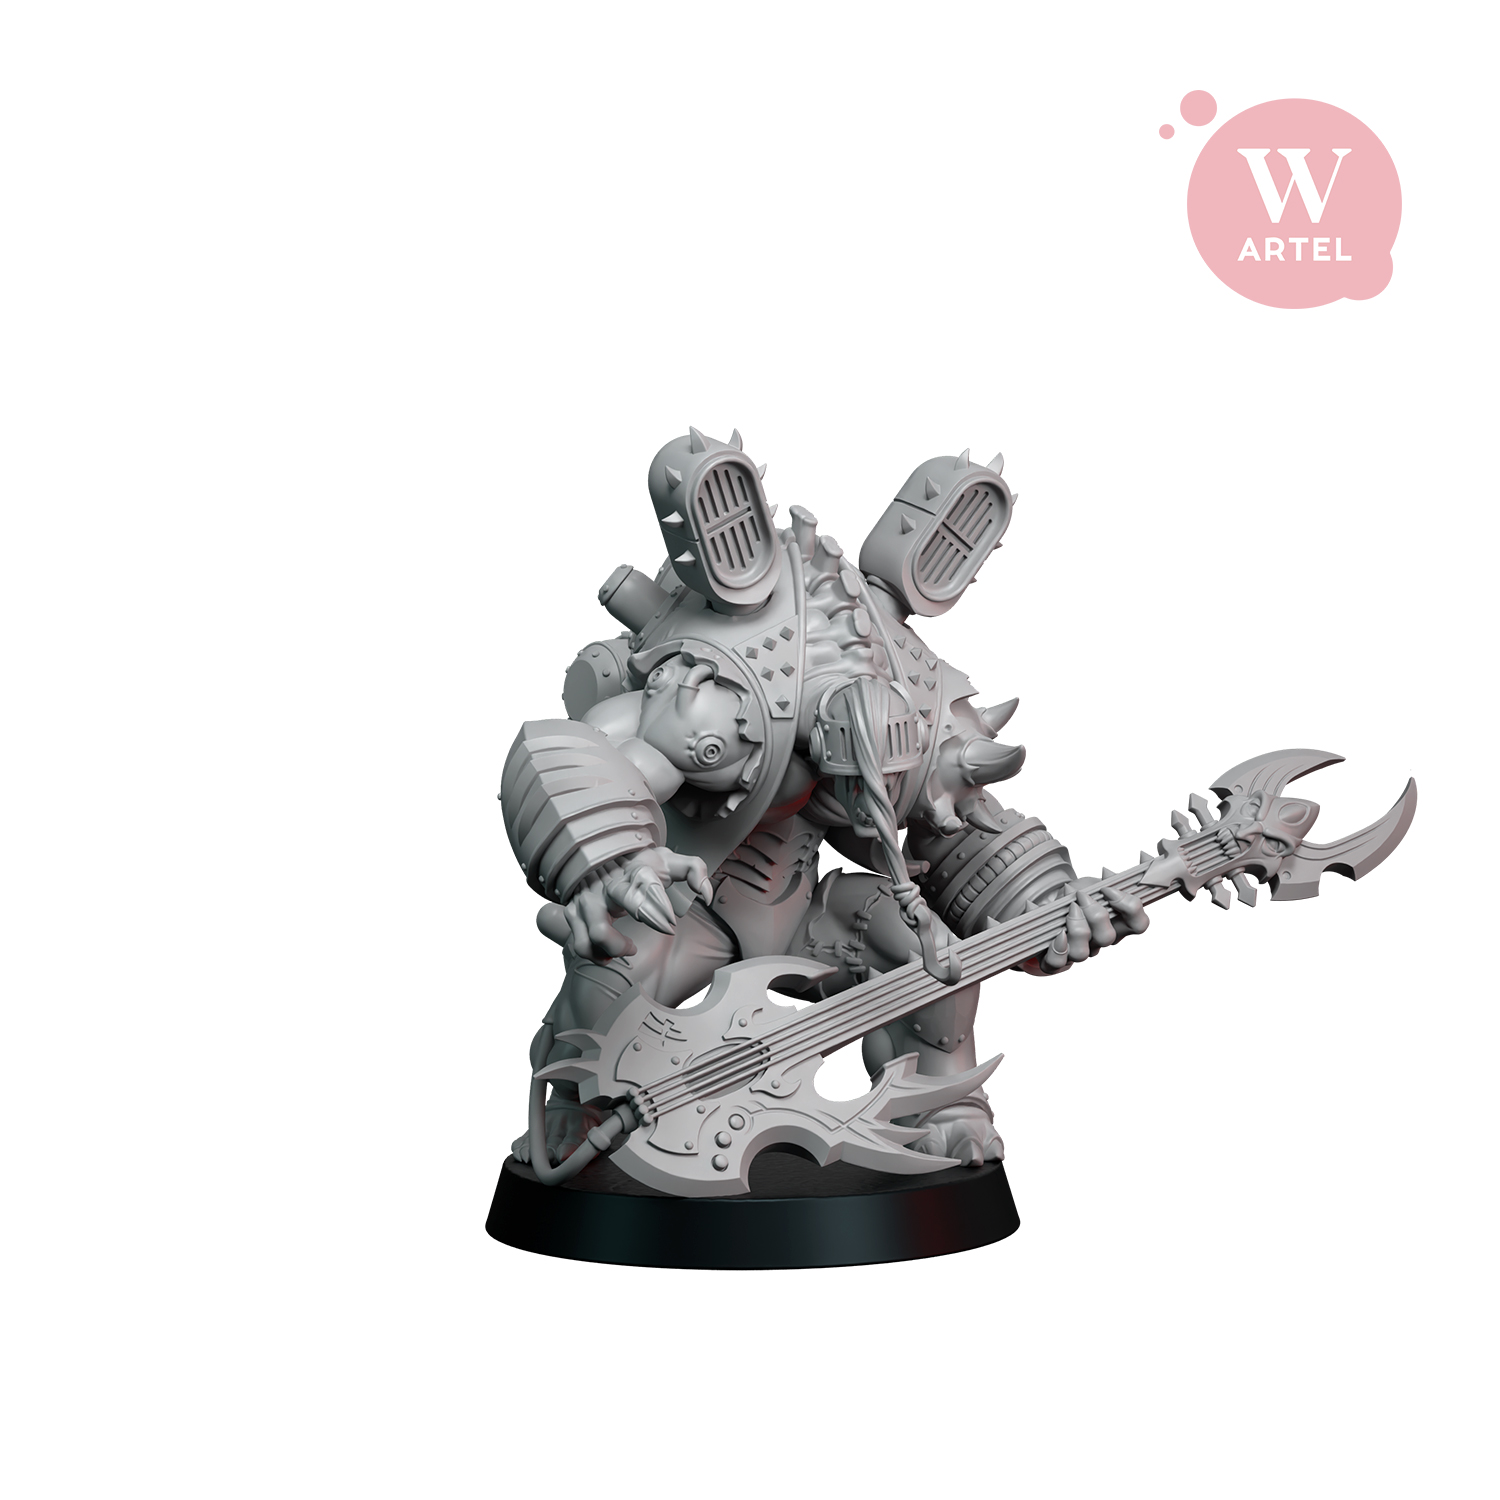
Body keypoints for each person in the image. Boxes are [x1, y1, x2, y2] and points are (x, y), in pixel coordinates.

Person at [502, 428, 1146, 1171]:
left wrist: (1049, 914)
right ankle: (573, 1110)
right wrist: (610, 859)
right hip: (681, 908)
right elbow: (587, 751)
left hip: (809, 913)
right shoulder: (717, 695)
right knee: (608, 977)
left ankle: (945, 1108)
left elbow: (964, 836)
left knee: (929, 960)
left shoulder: (916, 693)